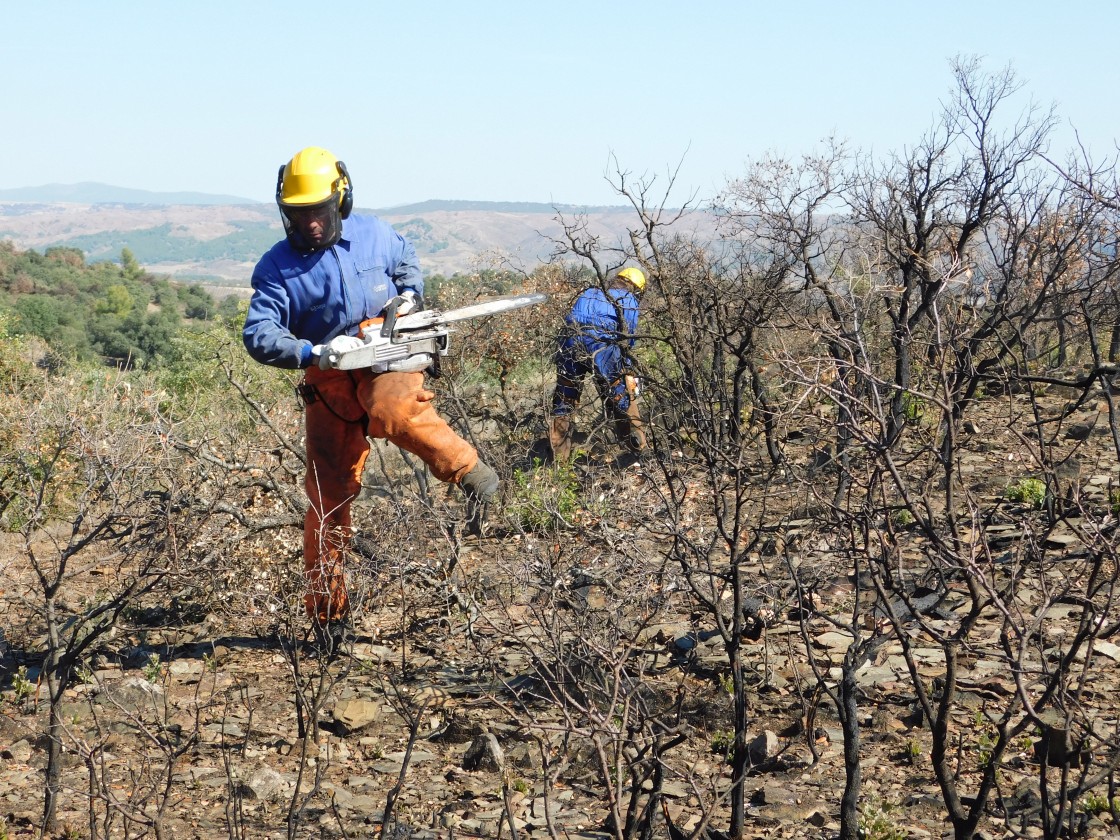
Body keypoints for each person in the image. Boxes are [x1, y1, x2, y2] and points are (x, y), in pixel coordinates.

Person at [243, 146, 498, 640]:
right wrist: (311, 353)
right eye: (299, 215)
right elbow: (259, 332)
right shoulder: (276, 267)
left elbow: (407, 263)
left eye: (317, 211)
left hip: (387, 353)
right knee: (327, 499)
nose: (310, 224)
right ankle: (328, 618)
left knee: (392, 408)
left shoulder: (377, 234)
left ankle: (477, 477)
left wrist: (407, 297)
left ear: (340, 200)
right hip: (330, 374)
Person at [549, 266, 648, 460]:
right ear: (637, 289)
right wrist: (625, 367)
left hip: (570, 341)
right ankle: (637, 447)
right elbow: (628, 339)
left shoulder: (590, 291)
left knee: (565, 399)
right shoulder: (628, 300)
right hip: (602, 344)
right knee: (622, 394)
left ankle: (558, 462)